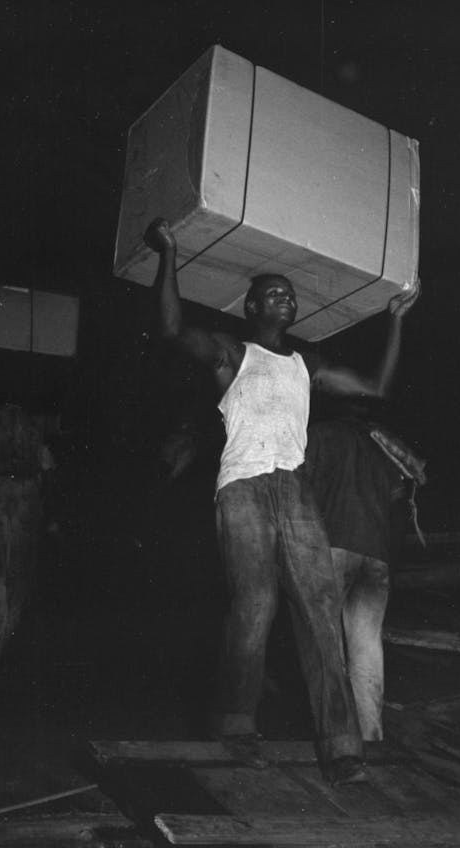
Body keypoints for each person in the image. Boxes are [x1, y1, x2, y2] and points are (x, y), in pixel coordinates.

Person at [144, 217, 416, 785]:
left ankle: (342, 745)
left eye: (289, 294)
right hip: (243, 485)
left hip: (294, 489)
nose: (285, 299)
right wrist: (168, 253)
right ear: (251, 308)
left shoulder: (306, 365)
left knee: (320, 607)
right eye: (273, 294)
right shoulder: (230, 353)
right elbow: (170, 329)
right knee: (256, 602)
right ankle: (236, 725)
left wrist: (395, 321)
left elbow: (377, 388)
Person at [305, 286, 424, 742]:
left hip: (333, 550)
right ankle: (370, 736)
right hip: (376, 559)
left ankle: (334, 738)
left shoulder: (321, 437)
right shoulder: (383, 450)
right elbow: (397, 509)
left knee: (325, 646)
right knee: (367, 647)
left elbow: (305, 495)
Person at [0, 376, 54, 666]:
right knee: (12, 571)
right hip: (20, 492)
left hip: (2, 490)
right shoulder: (30, 424)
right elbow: (46, 464)